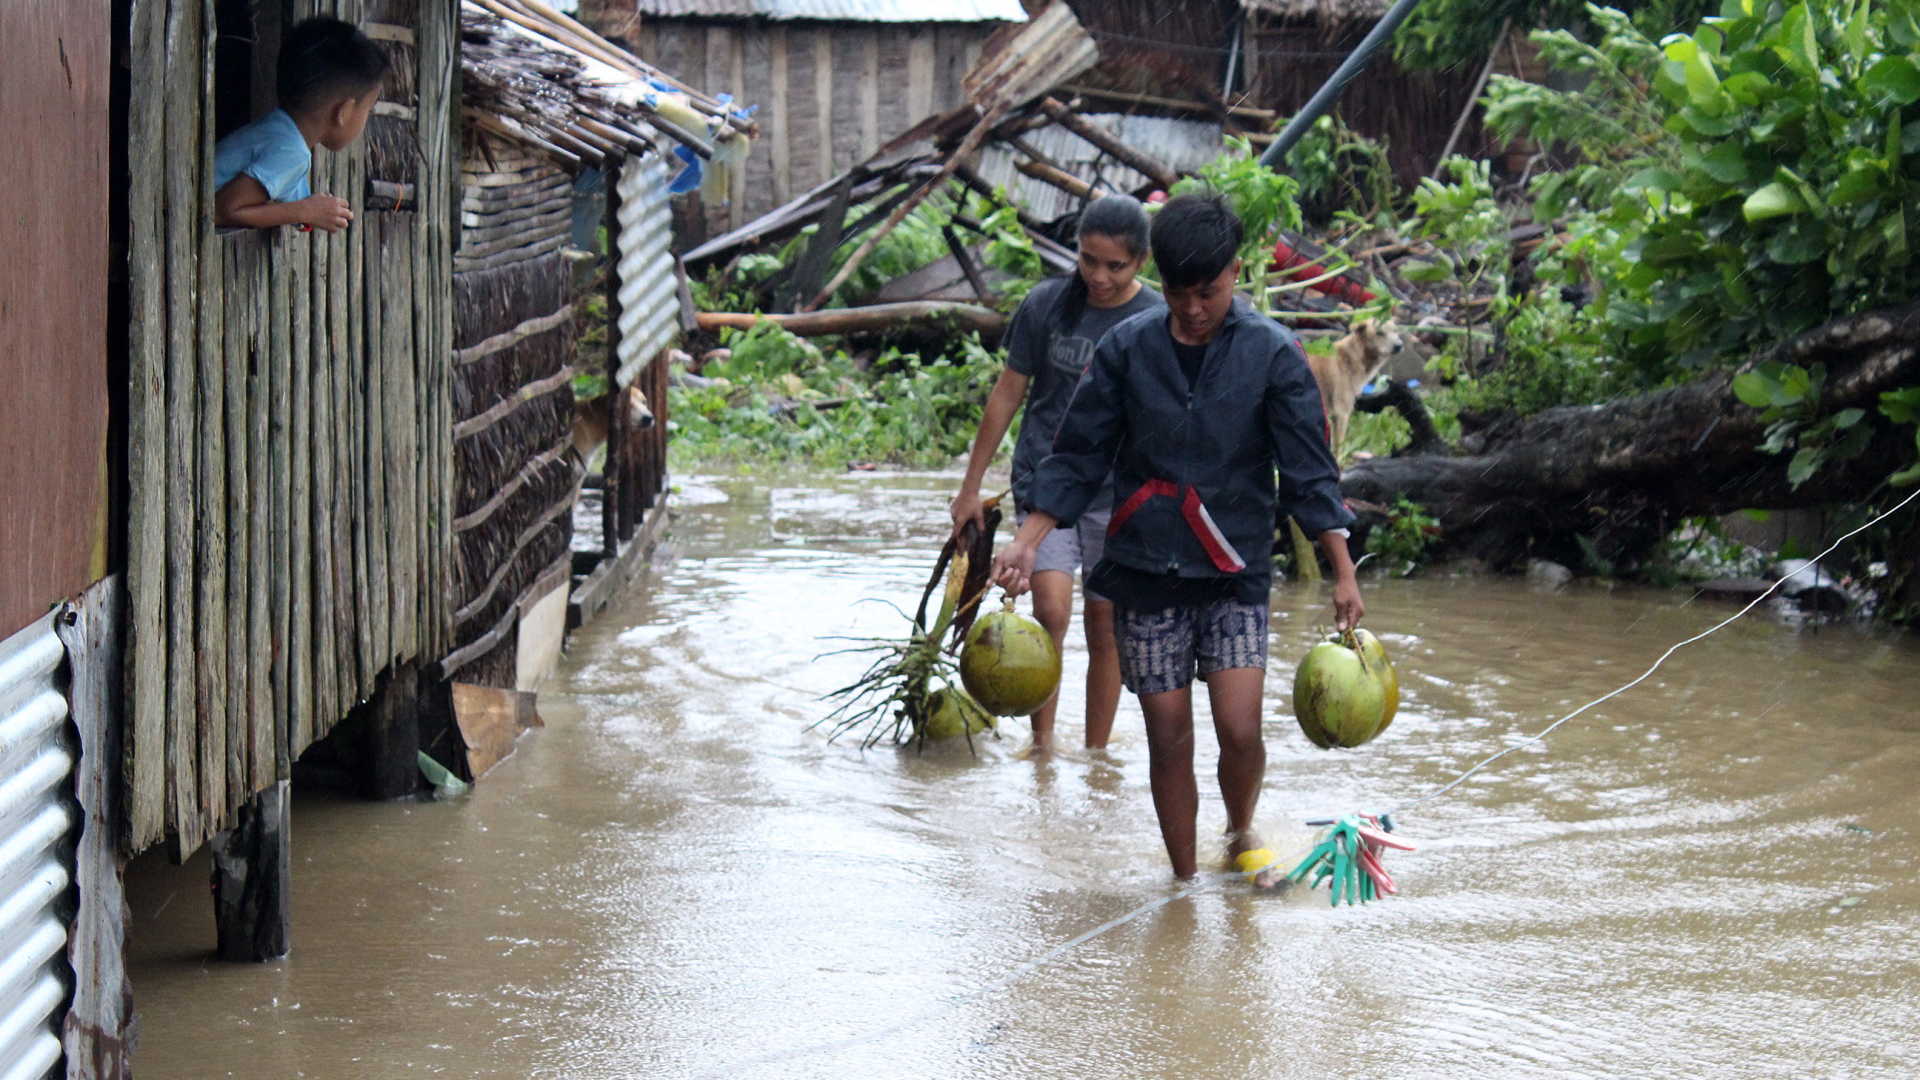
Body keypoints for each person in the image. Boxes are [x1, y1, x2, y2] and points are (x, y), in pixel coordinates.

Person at [991, 191, 1363, 885]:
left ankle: (1240, 829)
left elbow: (1309, 470)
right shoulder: (1126, 350)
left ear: (1236, 274)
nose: (1193, 309)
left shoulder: (1273, 355)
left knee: (1239, 727)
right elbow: (1077, 456)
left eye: (1208, 292)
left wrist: (1342, 571)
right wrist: (1028, 540)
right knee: (1168, 735)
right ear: (1159, 281)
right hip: (1146, 569)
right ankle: (1184, 885)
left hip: (1233, 569)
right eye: (1178, 293)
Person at [950, 196, 1163, 756]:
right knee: (1050, 610)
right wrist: (970, 488)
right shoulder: (1046, 305)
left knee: (1106, 626)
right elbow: (1007, 395)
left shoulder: (1155, 318)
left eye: (1115, 266)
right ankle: (1042, 746)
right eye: (1088, 260)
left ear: (1141, 262)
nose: (1099, 277)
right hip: (1045, 482)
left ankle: (1095, 753)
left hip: (1118, 494)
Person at [213, 17, 390, 232]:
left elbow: (286, 195)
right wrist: (304, 211)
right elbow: (222, 211)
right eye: (368, 110)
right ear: (343, 112)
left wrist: (313, 209)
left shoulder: (279, 130)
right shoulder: (293, 153)